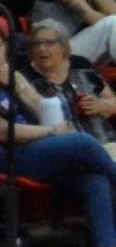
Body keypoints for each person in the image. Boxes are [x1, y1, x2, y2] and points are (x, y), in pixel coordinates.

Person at [0, 22, 116, 247]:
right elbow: (0, 131)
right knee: (82, 142)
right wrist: (51, 133)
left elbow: (45, 111)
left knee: (94, 181)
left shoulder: (11, 76)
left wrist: (17, 84)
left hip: (26, 151)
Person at [27, 20, 116, 159]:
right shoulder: (26, 78)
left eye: (49, 43)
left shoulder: (80, 64)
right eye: (36, 44)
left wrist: (102, 105)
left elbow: (113, 101)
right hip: (66, 150)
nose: (42, 49)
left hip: (105, 140)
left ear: (63, 46)